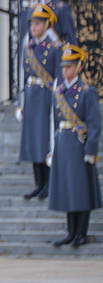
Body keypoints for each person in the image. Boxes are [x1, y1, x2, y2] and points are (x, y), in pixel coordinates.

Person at [48, 44, 101, 248]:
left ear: (79, 67)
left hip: (79, 146)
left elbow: (95, 124)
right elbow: (55, 122)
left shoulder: (87, 92)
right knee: (68, 190)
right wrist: (52, 150)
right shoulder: (59, 93)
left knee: (80, 190)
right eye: (63, 67)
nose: (65, 71)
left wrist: (91, 150)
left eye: (69, 67)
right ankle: (70, 232)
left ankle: (81, 233)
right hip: (63, 145)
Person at [17, 4, 61, 199]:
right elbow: (25, 77)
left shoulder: (54, 49)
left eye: (37, 24)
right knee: (34, 141)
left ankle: (49, 184)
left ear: (46, 25)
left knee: (44, 140)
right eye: (32, 24)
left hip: (45, 97)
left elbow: (58, 79)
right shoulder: (29, 48)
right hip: (32, 96)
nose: (33, 28)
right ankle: (38, 183)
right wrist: (23, 102)